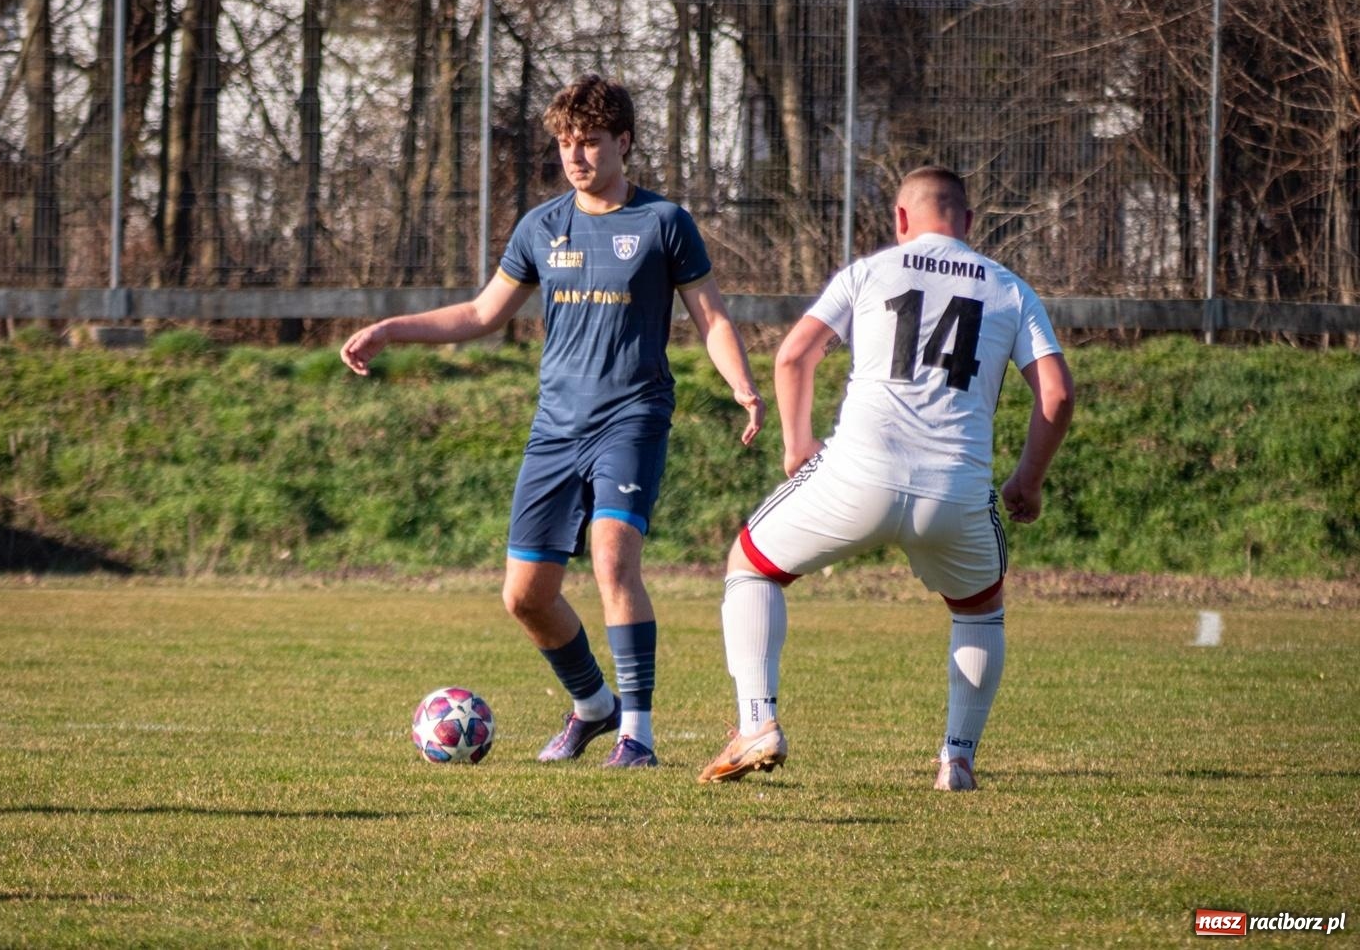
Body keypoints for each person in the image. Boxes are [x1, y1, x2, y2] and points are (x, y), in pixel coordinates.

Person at [342, 74, 764, 768]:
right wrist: (392, 329)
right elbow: (481, 313)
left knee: (610, 559)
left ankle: (637, 733)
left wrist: (744, 387)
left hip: (633, 417)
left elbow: (712, 317)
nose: (576, 156)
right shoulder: (542, 226)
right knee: (525, 595)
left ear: (624, 142)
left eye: (591, 142)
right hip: (556, 429)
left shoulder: (664, 223)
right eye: (566, 143)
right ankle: (592, 704)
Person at [697, 165, 1074, 791]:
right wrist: (1026, 482)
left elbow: (794, 354)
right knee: (979, 611)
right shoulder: (1008, 289)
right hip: (955, 489)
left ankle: (757, 722)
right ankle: (956, 758)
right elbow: (1057, 396)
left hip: (857, 477)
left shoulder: (870, 271)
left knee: (751, 564)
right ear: (969, 224)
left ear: (901, 220)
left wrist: (798, 445)